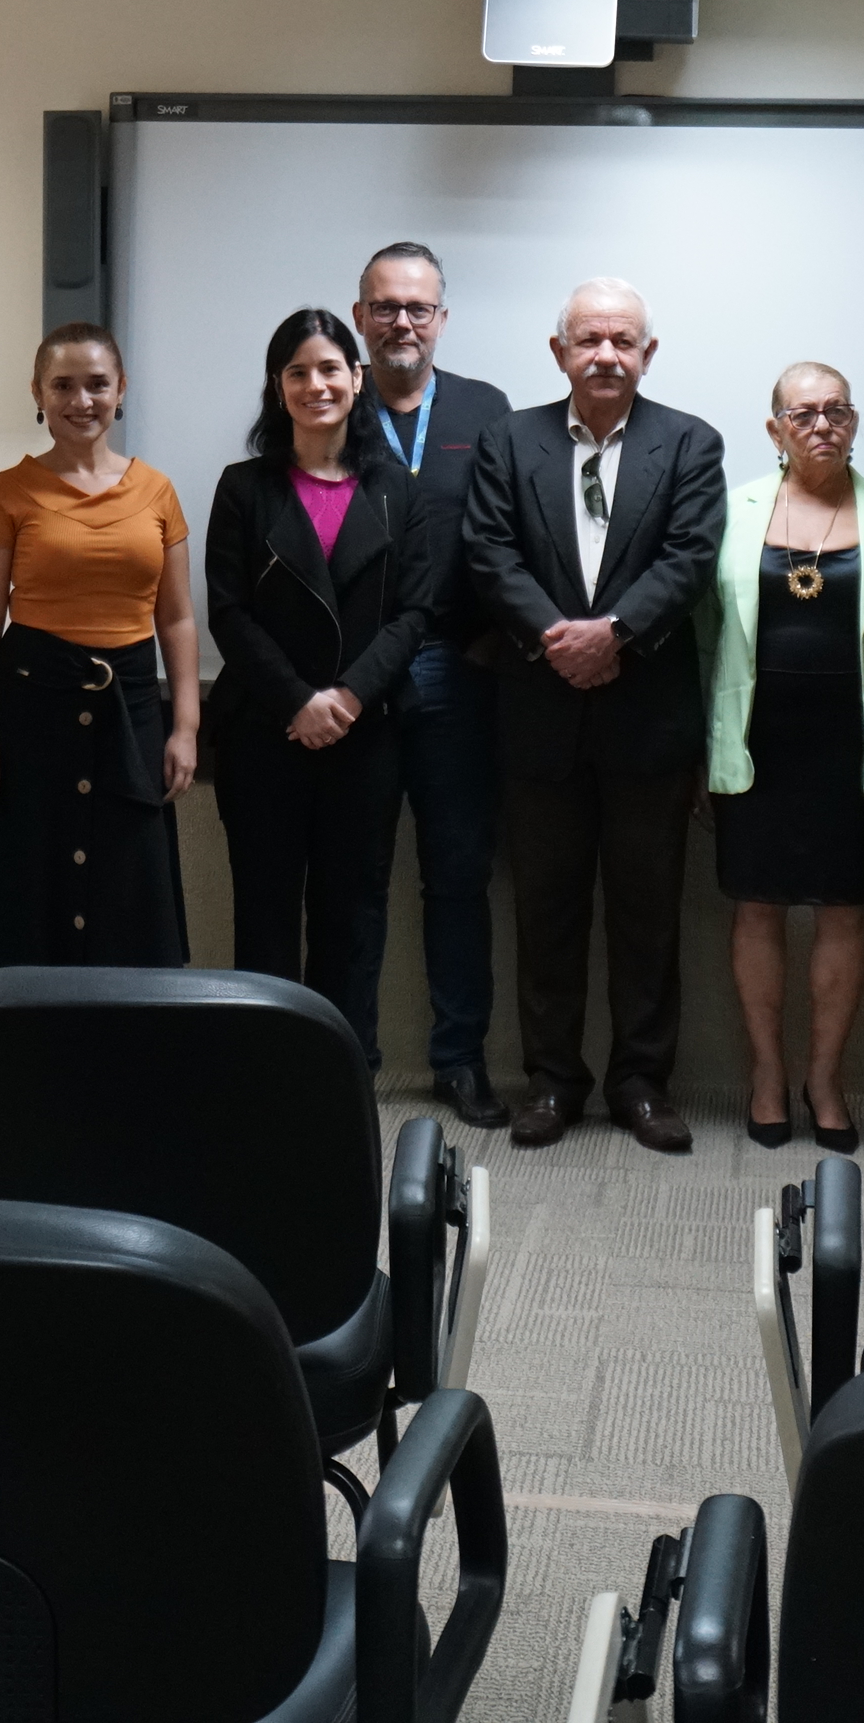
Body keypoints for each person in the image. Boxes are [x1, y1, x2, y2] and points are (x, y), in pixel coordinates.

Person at [460, 278, 728, 1154]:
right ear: (559, 351)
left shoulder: (690, 443)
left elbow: (691, 557)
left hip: (646, 718)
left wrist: (612, 633)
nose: (607, 354)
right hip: (539, 715)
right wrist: (556, 637)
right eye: (590, 339)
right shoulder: (509, 439)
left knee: (649, 914)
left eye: (624, 340)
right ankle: (551, 1082)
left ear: (648, 354)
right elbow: (487, 550)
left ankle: (642, 1085)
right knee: (546, 911)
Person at [205, 307, 431, 1051]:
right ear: (278, 387)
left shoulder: (399, 487)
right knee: (266, 914)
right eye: (298, 371)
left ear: (357, 378)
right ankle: (266, 1074)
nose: (316, 384)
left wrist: (348, 697)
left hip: (366, 737)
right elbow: (229, 614)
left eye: (330, 368)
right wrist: (298, 700)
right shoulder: (243, 488)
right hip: (265, 733)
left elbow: (413, 613)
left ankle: (344, 1074)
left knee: (354, 915)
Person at [0, 321, 197, 970]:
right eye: (63, 385)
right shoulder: (10, 491)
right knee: (30, 893)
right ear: (38, 392)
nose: (80, 400)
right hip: (30, 712)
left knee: (127, 899)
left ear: (121, 392)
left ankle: (119, 1064)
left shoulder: (158, 492)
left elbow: (175, 620)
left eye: (96, 385)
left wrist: (186, 727)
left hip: (133, 712)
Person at [702, 364, 864, 1151]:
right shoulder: (733, 509)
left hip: (853, 742)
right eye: (805, 413)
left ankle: (825, 1079)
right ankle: (766, 1077)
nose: (824, 424)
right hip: (755, 739)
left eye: (838, 411)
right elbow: (701, 634)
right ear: (775, 428)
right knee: (757, 905)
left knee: (843, 908)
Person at [355, 243, 517, 1126]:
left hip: (460, 671)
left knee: (458, 875)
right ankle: (353, 1057)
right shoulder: (330, 402)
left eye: (418, 308)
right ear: (360, 318)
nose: (402, 323)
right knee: (358, 875)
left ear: (442, 319)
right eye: (386, 307)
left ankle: (459, 1060)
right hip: (360, 679)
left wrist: (494, 640)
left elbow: (514, 532)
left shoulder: (486, 408)